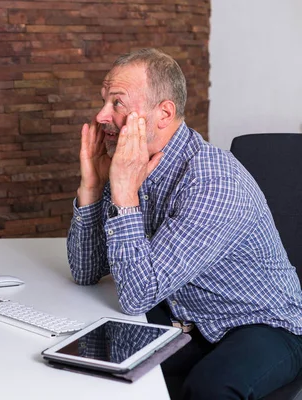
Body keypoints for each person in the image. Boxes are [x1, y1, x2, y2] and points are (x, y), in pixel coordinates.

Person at [66, 48, 302, 399]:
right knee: (96, 359)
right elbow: (86, 271)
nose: (101, 116)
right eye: (104, 101)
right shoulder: (134, 164)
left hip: (262, 323)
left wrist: (124, 194)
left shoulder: (213, 182)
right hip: (188, 313)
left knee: (206, 388)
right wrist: (91, 187)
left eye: (117, 103)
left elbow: (136, 296)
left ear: (164, 113)